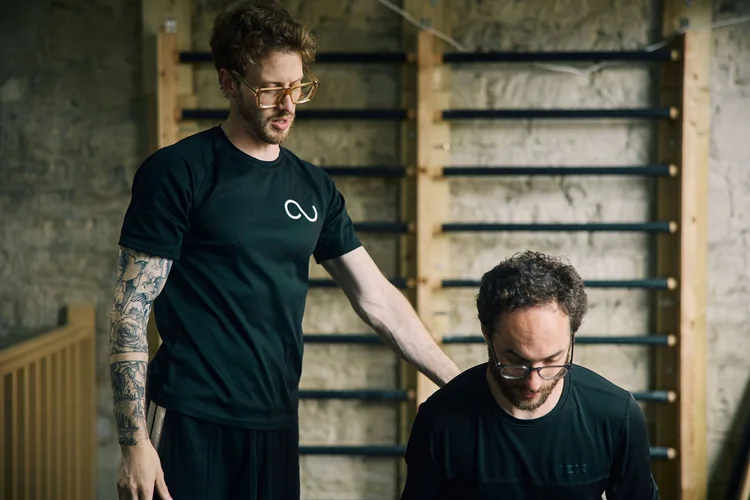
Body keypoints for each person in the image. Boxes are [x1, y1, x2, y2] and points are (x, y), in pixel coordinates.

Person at [107, 1, 461, 499]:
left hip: (275, 424)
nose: (288, 104)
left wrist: (461, 384)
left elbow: (378, 299)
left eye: (297, 87)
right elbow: (130, 308)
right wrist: (134, 443)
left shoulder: (314, 187)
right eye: (270, 89)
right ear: (229, 83)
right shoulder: (178, 172)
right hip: (190, 419)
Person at [400, 250, 659, 500]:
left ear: (572, 337)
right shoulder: (438, 420)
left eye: (552, 360)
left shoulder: (617, 415)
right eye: (515, 361)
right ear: (487, 335)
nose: (534, 383)